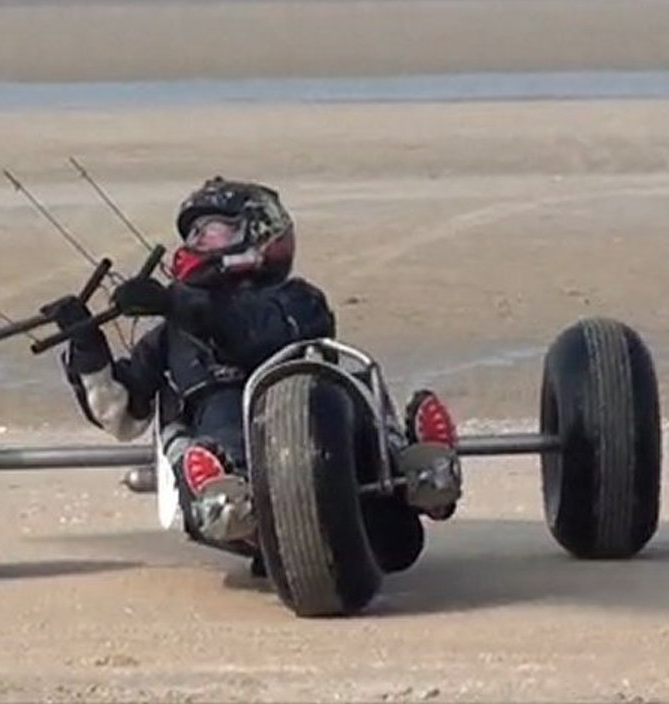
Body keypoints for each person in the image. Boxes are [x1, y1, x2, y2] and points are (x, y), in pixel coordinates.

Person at [52, 176, 457, 545]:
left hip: (333, 446)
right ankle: (218, 489)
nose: (197, 243)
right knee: (187, 419)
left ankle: (413, 465)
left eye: (212, 232)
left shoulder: (296, 298)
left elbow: (260, 332)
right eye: (194, 234)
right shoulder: (169, 337)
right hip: (232, 461)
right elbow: (122, 415)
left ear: (261, 233)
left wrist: (176, 302)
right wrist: (87, 345)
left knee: (350, 378)